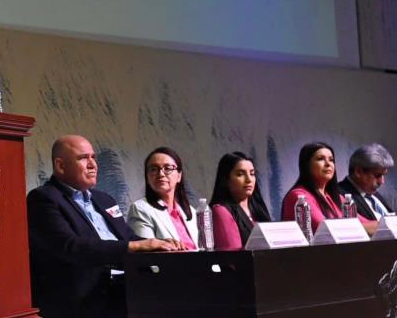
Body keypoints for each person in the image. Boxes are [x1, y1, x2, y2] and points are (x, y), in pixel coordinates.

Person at [27, 135, 178, 318]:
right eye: (83, 158)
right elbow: (70, 246)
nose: (93, 164)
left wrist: (162, 245)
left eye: (93, 157)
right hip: (80, 304)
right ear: (60, 165)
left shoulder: (104, 199)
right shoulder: (43, 198)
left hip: (124, 291)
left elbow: (128, 238)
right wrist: (135, 246)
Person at [126, 147, 198, 249]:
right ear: (147, 177)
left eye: (167, 168)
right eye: (154, 169)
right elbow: (146, 258)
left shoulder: (192, 212)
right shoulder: (140, 209)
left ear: (179, 176)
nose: (161, 174)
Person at [209, 152, 272, 251]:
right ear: (225, 180)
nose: (249, 179)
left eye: (252, 174)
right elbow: (233, 258)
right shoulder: (221, 210)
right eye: (240, 174)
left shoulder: (258, 209)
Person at [280, 142, 344, 234]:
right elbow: (324, 228)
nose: (328, 164)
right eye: (320, 159)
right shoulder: (299, 196)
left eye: (331, 160)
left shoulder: (336, 197)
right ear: (307, 165)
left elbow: (362, 223)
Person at [338, 143, 395, 221]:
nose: (382, 182)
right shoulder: (340, 194)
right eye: (377, 175)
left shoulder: (374, 194)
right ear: (358, 172)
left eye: (384, 175)